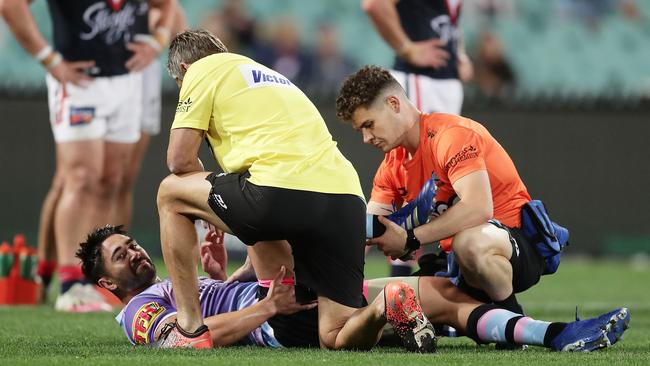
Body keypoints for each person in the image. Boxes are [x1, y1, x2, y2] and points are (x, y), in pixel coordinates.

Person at [155, 29, 434, 351]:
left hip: (277, 193)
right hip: (345, 200)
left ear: (185, 70)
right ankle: (387, 303)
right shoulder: (267, 74)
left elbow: (179, 160)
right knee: (335, 336)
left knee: (169, 192)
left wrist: (202, 207)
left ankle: (189, 329)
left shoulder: (201, 70)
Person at [79, 225, 630, 352]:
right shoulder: (136, 314)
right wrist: (267, 298)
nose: (135, 252)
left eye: (131, 242)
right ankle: (389, 306)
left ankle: (555, 335)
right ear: (109, 283)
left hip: (275, 298)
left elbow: (216, 306)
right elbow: (184, 342)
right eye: (120, 255)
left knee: (445, 291)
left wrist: (231, 275)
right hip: (281, 314)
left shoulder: (181, 282)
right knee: (273, 229)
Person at [335, 65, 569, 319]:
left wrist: (410, 239)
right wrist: (323, 281)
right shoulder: (391, 166)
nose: (366, 138)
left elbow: (478, 208)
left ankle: (510, 314)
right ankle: (467, 318)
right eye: (361, 130)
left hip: (511, 250)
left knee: (468, 243)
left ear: (393, 103)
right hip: (455, 266)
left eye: (369, 125)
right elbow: (367, 230)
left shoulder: (450, 136)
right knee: (372, 310)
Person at [1, 0, 176, 311]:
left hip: (126, 82)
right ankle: (69, 283)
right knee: (81, 178)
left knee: (111, 180)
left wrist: (157, 42)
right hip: (80, 82)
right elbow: (10, 5)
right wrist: (49, 59)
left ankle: (95, 280)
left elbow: (167, 6)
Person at [362, 0, 474, 277]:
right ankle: (397, 275)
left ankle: (427, 275)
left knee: (440, 177)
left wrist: (459, 53)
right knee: (414, 175)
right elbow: (374, 5)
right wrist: (406, 48)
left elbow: (446, 20)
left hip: (442, 81)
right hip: (421, 79)